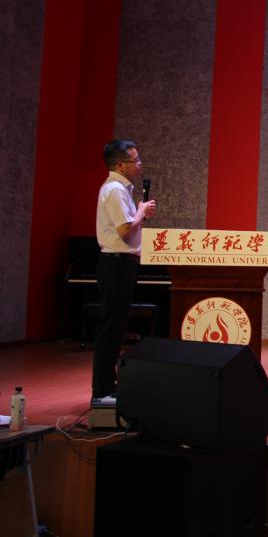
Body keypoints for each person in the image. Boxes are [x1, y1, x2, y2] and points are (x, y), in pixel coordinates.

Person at [92, 139, 156, 406]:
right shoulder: (115, 189)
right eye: (135, 160)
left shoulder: (121, 189)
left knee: (118, 327)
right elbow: (124, 230)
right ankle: (102, 389)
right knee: (111, 328)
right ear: (120, 164)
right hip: (116, 263)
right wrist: (141, 212)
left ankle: (109, 384)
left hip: (123, 263)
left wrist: (139, 215)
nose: (139, 164)